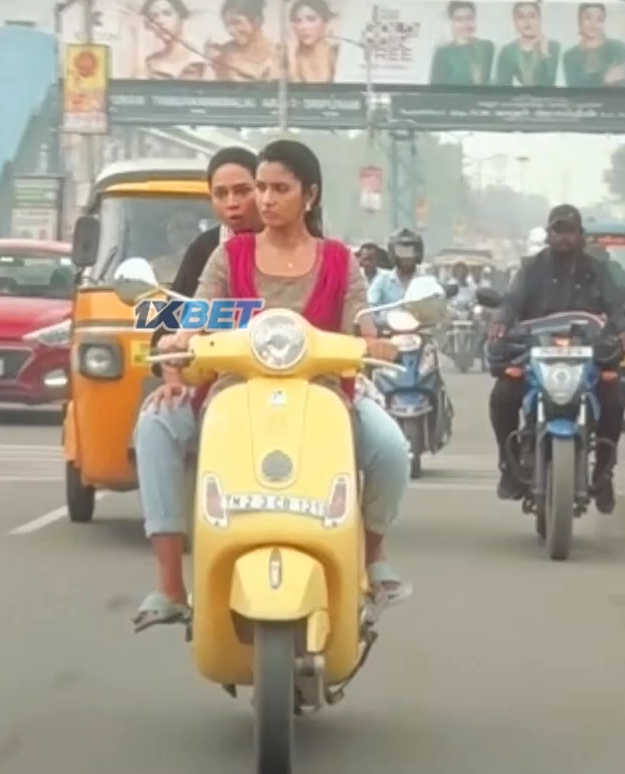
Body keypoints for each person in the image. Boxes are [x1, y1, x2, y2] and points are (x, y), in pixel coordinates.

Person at [129, 139, 415, 631]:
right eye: (260, 187)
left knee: (391, 448)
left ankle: (373, 557)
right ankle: (171, 585)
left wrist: (378, 344)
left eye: (279, 189)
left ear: (310, 195)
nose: (264, 199)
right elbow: (197, 311)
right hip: (233, 392)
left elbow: (361, 326)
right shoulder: (228, 254)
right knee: (153, 423)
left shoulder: (341, 260)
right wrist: (179, 342)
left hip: (324, 392)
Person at [487, 204, 625, 512]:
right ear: (548, 234)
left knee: (614, 400)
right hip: (536, 353)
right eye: (558, 231)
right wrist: (501, 320)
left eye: (570, 231)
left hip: (586, 354)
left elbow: (617, 305)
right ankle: (508, 464)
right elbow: (512, 301)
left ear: (581, 235)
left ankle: (604, 473)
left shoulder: (597, 270)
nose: (564, 237)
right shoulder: (531, 268)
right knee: (503, 395)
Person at [168, 147, 262, 298]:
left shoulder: (290, 242)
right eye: (220, 194)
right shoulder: (204, 248)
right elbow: (173, 309)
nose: (231, 203)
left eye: (242, 191)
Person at [207, 0, 280, 81]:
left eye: (237, 23)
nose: (230, 30)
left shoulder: (277, 53)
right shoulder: (223, 55)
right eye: (227, 24)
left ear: (257, 21)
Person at [139, 0, 211, 80]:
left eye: (167, 13)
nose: (159, 21)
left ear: (181, 17)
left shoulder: (201, 58)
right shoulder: (151, 62)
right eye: (154, 17)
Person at [561, 3, 625, 88]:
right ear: (579, 21)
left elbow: (621, 87)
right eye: (588, 17)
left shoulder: (618, 48)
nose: (594, 23)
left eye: (599, 19)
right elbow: (575, 90)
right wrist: (606, 79)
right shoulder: (570, 56)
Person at [493, 1, 561, 88]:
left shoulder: (554, 47)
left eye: (532, 16)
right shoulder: (508, 51)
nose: (527, 21)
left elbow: (554, 82)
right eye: (521, 17)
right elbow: (502, 86)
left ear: (539, 20)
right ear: (515, 22)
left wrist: (545, 53)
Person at [429, 0, 494, 86]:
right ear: (452, 22)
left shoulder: (487, 47)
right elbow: (435, 88)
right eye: (459, 20)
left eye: (469, 18)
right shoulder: (443, 53)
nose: (466, 24)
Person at [368, 228, 429, 306]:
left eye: (410, 251)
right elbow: (371, 304)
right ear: (393, 254)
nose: (406, 257)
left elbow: (438, 302)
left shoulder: (427, 280)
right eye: (402, 252)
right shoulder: (382, 280)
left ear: (418, 253)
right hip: (389, 314)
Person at [286, 0, 339, 83]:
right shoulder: (289, 57)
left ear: (325, 21)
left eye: (311, 19)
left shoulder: (338, 55)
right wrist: (291, 55)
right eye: (298, 21)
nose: (303, 27)